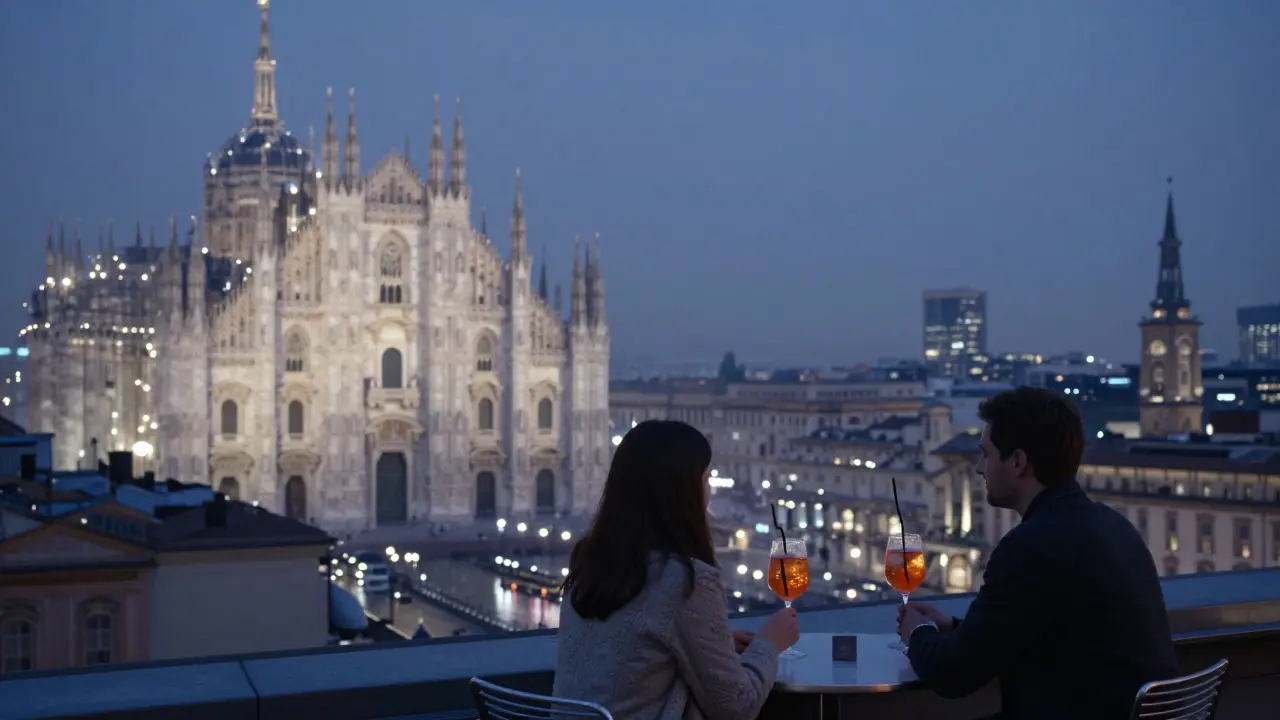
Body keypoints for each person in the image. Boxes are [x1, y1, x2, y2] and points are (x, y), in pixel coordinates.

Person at [897, 387, 1177, 720]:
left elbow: (952, 675)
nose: (979, 469)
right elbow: (1049, 630)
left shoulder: (1031, 545)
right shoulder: (1114, 525)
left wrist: (917, 631)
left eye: (985, 454)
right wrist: (957, 629)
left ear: (1017, 462)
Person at [554, 419, 799, 719]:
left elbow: (633, 639)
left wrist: (708, 639)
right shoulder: (687, 581)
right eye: (705, 478)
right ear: (684, 492)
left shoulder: (590, 563)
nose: (708, 489)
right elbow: (738, 707)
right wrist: (769, 644)